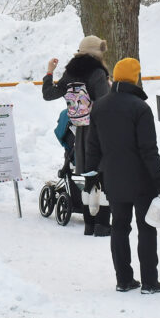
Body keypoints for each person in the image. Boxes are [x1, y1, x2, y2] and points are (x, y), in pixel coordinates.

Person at [86, 58, 160, 294]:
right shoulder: (140, 108)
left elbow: (93, 147)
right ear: (135, 78)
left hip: (112, 178)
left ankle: (124, 280)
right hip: (142, 180)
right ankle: (150, 282)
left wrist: (92, 175)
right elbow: (148, 150)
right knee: (147, 229)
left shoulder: (100, 107)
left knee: (120, 228)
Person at [42, 35, 112, 236]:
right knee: (103, 179)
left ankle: (89, 226)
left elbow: (49, 94)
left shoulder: (70, 73)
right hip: (99, 132)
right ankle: (102, 225)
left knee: (88, 177)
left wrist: (49, 72)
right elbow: (104, 104)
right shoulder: (98, 73)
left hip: (80, 132)